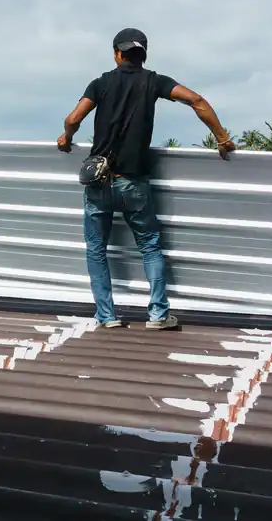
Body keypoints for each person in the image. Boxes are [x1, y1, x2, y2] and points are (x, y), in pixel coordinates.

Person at [57, 28, 236, 329]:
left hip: (99, 181)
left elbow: (74, 118)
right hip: (134, 183)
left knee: (97, 249)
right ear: (144, 54)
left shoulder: (101, 83)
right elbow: (198, 101)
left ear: (117, 53)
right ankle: (157, 314)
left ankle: (106, 316)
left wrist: (67, 137)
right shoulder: (155, 82)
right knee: (149, 246)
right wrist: (221, 138)